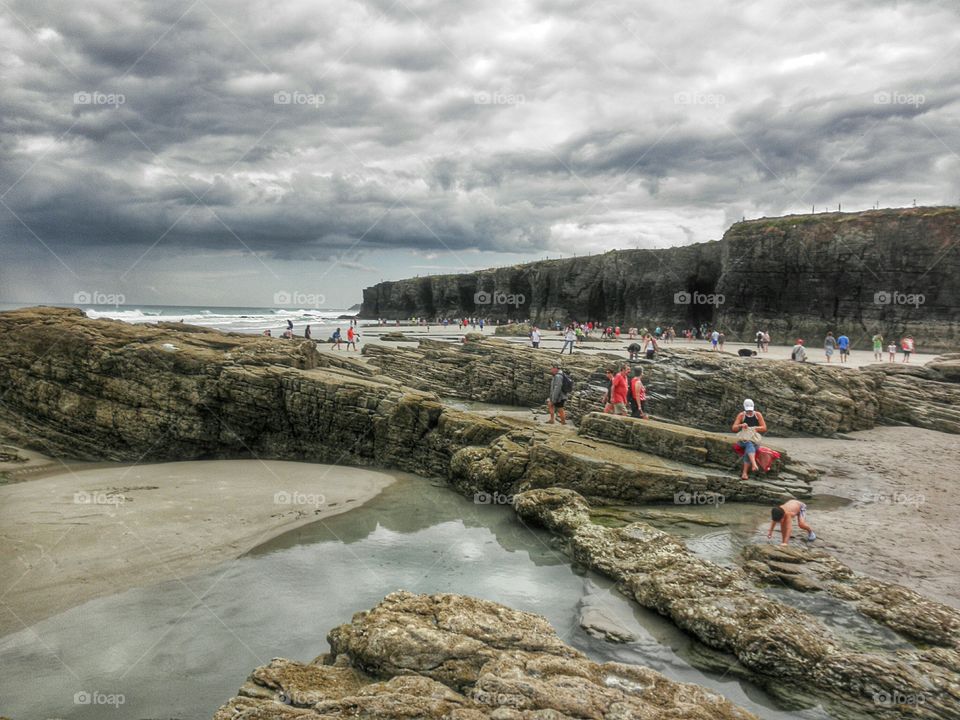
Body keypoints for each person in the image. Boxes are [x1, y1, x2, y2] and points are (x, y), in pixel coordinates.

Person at [731, 399, 767, 481]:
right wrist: (741, 425)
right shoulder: (741, 415)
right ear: (744, 408)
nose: (749, 412)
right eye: (748, 411)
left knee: (750, 446)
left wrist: (755, 428)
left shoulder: (758, 415)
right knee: (749, 443)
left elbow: (764, 428)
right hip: (742, 440)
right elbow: (733, 428)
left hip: (754, 439)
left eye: (750, 410)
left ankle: (745, 473)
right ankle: (753, 465)